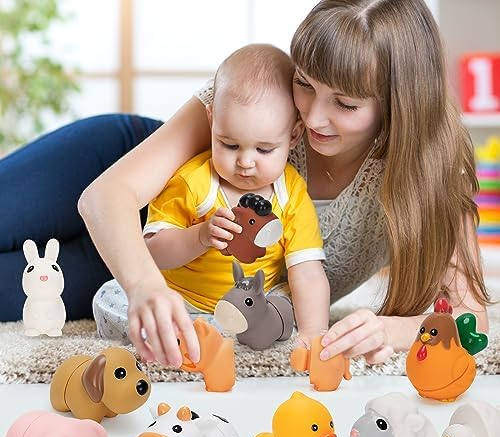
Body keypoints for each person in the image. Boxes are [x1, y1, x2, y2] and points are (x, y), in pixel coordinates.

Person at [2, 0, 490, 369]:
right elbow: (106, 197)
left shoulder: (429, 173)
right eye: (305, 83)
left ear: (400, 104)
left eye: (345, 104)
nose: (311, 118)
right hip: (127, 192)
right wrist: (146, 285)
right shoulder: (261, 97)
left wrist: (389, 330)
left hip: (163, 279)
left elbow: (474, 324)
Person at [92, 44, 330, 351]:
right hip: (181, 299)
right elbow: (153, 252)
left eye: (264, 149)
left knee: (288, 304)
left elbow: (307, 271)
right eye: (230, 145)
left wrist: (315, 335)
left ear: (294, 135)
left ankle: (223, 333)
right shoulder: (193, 181)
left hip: (253, 302)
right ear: (212, 120)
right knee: (108, 298)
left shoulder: (291, 193)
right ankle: (190, 333)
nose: (245, 162)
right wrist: (200, 236)